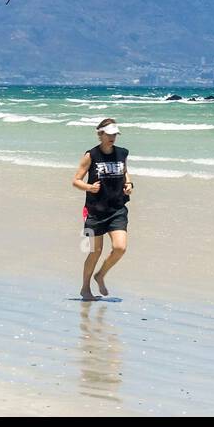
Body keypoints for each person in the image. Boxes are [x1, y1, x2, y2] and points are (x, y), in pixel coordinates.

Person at [72, 119, 133, 301]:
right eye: (108, 134)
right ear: (100, 134)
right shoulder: (91, 155)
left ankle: (100, 275)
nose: (112, 137)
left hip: (117, 208)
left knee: (120, 247)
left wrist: (128, 183)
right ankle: (85, 289)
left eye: (114, 134)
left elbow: (125, 172)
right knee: (95, 252)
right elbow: (76, 180)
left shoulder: (122, 153)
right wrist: (89, 188)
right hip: (95, 210)